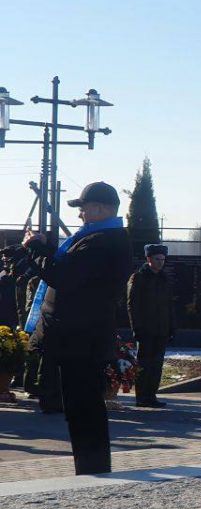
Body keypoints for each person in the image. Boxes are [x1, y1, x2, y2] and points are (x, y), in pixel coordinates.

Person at [21, 181, 130, 475]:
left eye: (84, 208)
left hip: (81, 337)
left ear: (101, 209)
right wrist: (41, 250)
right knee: (81, 408)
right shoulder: (96, 239)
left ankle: (92, 469)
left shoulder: (101, 242)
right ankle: (90, 467)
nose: (80, 214)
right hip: (79, 335)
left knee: (84, 408)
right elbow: (68, 270)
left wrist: (35, 248)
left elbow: (63, 276)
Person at [126, 243, 174, 407]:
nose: (161, 262)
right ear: (148, 259)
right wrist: (136, 328)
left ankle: (151, 395)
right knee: (144, 364)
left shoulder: (164, 279)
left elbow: (169, 305)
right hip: (145, 329)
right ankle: (141, 397)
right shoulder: (139, 278)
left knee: (157, 364)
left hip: (161, 329)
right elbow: (132, 305)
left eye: (163, 259)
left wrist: (171, 327)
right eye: (157, 259)